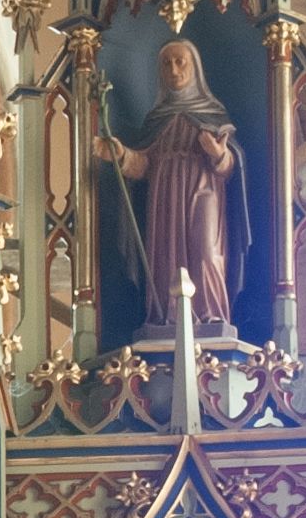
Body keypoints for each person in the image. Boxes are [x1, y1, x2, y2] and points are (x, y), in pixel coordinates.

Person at [98, 35, 248, 332]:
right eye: (167, 64)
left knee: (207, 252)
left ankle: (210, 315)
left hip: (204, 191)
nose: (174, 70)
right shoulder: (157, 118)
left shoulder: (213, 113)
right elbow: (145, 164)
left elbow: (232, 167)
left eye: (181, 62)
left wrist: (218, 154)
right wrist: (122, 155)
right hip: (164, 195)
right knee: (166, 256)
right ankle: (166, 318)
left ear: (195, 68)